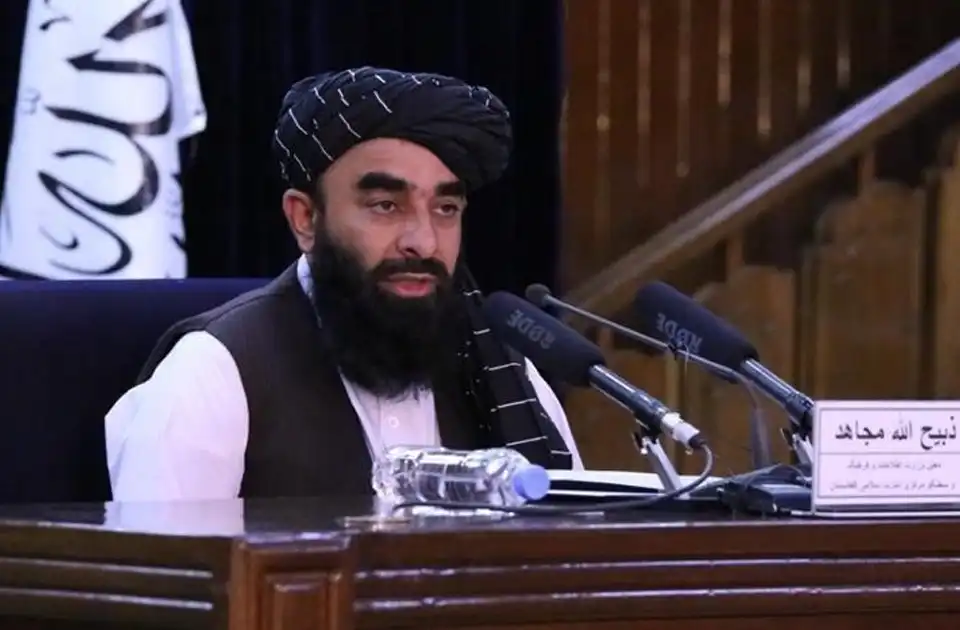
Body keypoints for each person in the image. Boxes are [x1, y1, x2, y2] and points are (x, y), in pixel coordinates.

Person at [105, 67, 583, 501]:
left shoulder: (499, 366)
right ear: (305, 218)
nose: (423, 241)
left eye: (445, 209)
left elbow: (573, 548)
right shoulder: (214, 373)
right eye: (385, 206)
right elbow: (169, 567)